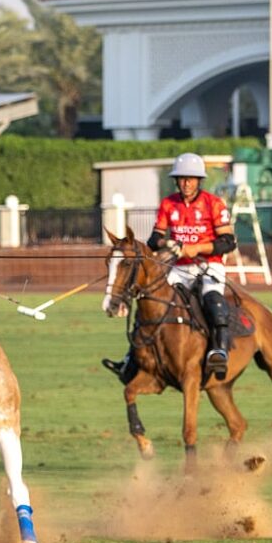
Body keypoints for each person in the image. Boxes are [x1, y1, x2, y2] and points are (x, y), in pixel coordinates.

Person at [102, 152, 237, 384]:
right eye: (182, 178)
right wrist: (167, 243)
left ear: (199, 181)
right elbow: (155, 239)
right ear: (176, 180)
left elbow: (228, 242)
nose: (186, 183)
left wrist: (197, 248)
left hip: (209, 265)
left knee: (212, 299)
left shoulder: (213, 204)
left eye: (191, 178)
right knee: (149, 300)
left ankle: (219, 350)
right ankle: (131, 358)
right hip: (179, 268)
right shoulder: (168, 204)